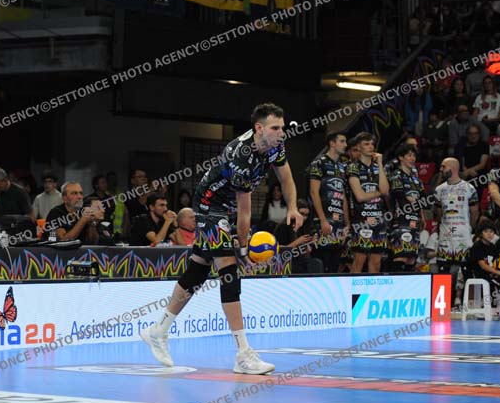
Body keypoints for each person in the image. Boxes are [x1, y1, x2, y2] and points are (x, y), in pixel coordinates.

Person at [140, 103, 302, 374]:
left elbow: (286, 179)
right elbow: (245, 210)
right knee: (229, 271)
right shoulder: (241, 156)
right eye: (275, 128)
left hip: (226, 208)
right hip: (209, 205)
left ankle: (158, 330)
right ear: (259, 128)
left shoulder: (276, 145)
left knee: (199, 269)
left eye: (282, 128)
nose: (281, 133)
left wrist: (293, 208)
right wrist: (243, 249)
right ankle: (243, 354)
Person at [434, 158, 479, 310]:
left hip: (463, 234)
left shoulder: (469, 188)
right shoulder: (439, 189)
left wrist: (468, 228)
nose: (441, 169)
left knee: (466, 268)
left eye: (443, 166)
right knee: (443, 270)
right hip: (445, 235)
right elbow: (438, 213)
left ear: (453, 167)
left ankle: (467, 305)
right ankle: (443, 306)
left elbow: (474, 212)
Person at [347, 132, 389, 274]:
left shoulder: (378, 168)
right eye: (366, 144)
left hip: (379, 220)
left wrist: (380, 164)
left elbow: (386, 190)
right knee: (359, 260)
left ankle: (372, 288)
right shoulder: (353, 167)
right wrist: (378, 192)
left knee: (376, 263)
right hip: (361, 220)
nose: (371, 147)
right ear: (358, 147)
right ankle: (352, 288)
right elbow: (359, 196)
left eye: (372, 144)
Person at [308, 132, 349, 273]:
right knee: (320, 264)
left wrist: (347, 224)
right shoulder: (319, 163)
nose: (345, 145)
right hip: (323, 221)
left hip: (339, 223)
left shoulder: (342, 167)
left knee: (334, 266)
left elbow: (343, 197)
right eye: (342, 141)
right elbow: (314, 192)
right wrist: (323, 220)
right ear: (332, 143)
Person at [387, 144, 426, 272]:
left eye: (414, 155)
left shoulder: (416, 180)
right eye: (409, 155)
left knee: (411, 259)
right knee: (401, 256)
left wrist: (422, 216)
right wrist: (415, 201)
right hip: (401, 221)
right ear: (401, 157)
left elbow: (424, 200)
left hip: (415, 221)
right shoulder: (396, 175)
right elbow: (400, 196)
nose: (412, 158)